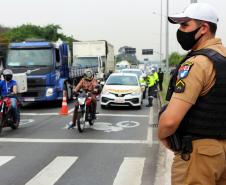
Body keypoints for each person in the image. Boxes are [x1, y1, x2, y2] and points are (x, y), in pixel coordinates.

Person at [158, 3, 226, 185]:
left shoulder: (197, 63)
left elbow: (170, 121)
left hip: (198, 156)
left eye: (184, 25)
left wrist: (163, 134)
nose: (180, 31)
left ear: (203, 28)